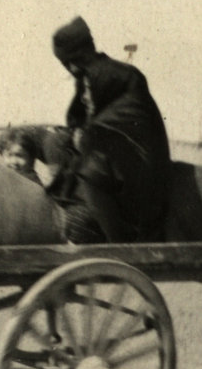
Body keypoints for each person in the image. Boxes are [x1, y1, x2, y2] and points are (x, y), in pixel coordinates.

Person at [46, 16, 172, 244]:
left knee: (89, 171)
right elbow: (84, 121)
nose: (71, 69)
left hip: (140, 172)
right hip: (119, 164)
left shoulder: (114, 76)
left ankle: (120, 244)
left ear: (76, 59)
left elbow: (120, 127)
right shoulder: (94, 77)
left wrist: (85, 136)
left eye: (69, 63)